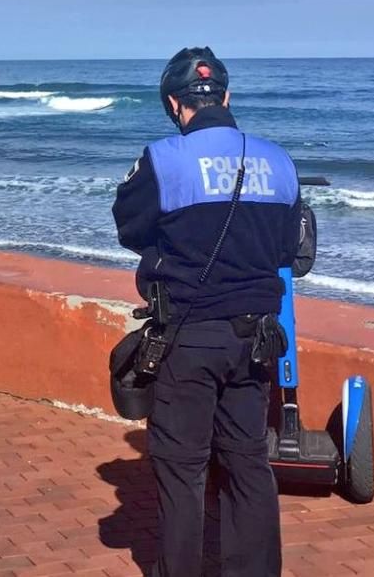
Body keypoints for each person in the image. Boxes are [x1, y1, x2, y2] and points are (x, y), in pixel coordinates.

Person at [112, 47, 301, 577]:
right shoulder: (279, 161)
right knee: (247, 462)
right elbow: (290, 250)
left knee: (183, 470)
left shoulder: (163, 158)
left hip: (188, 340)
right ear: (226, 95)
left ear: (174, 104)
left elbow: (129, 227)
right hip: (258, 340)